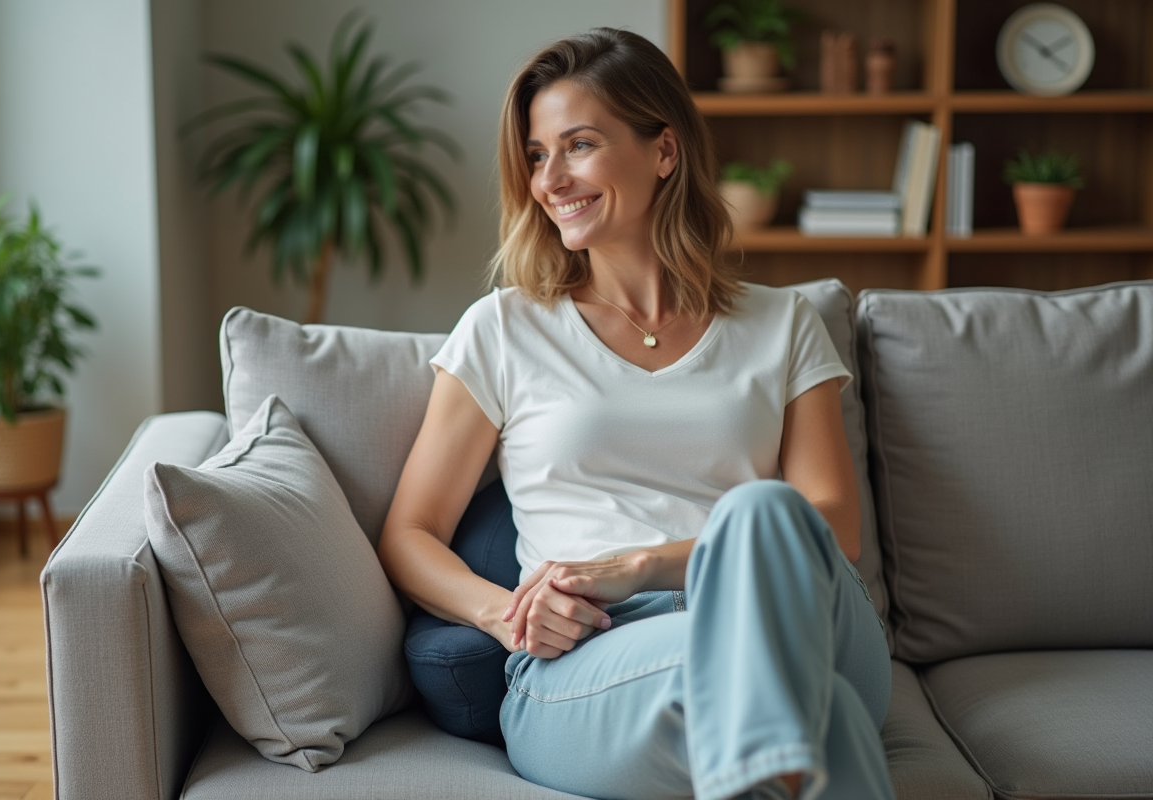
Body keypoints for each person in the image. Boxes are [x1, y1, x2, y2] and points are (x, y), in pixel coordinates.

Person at [377, 28, 893, 800]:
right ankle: (783, 746)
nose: (551, 179)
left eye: (578, 145)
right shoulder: (505, 328)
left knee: (765, 513)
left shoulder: (782, 322)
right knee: (820, 711)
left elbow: (833, 528)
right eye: (537, 154)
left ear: (664, 150)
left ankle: (767, 721)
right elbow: (408, 535)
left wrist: (641, 565)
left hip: (798, 615)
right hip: (605, 654)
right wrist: (508, 616)